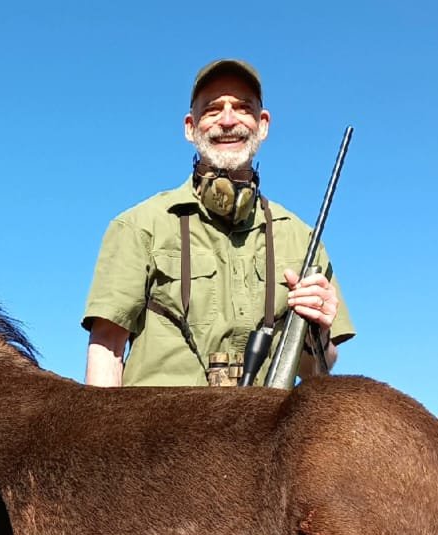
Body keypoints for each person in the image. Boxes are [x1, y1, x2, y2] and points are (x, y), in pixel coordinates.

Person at [82, 59, 355, 387]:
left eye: (243, 108)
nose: (228, 120)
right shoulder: (138, 226)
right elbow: (107, 348)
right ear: (190, 126)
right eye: (213, 109)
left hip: (263, 434)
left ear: (263, 124)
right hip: (159, 435)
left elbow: (317, 370)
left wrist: (320, 332)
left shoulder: (302, 239)